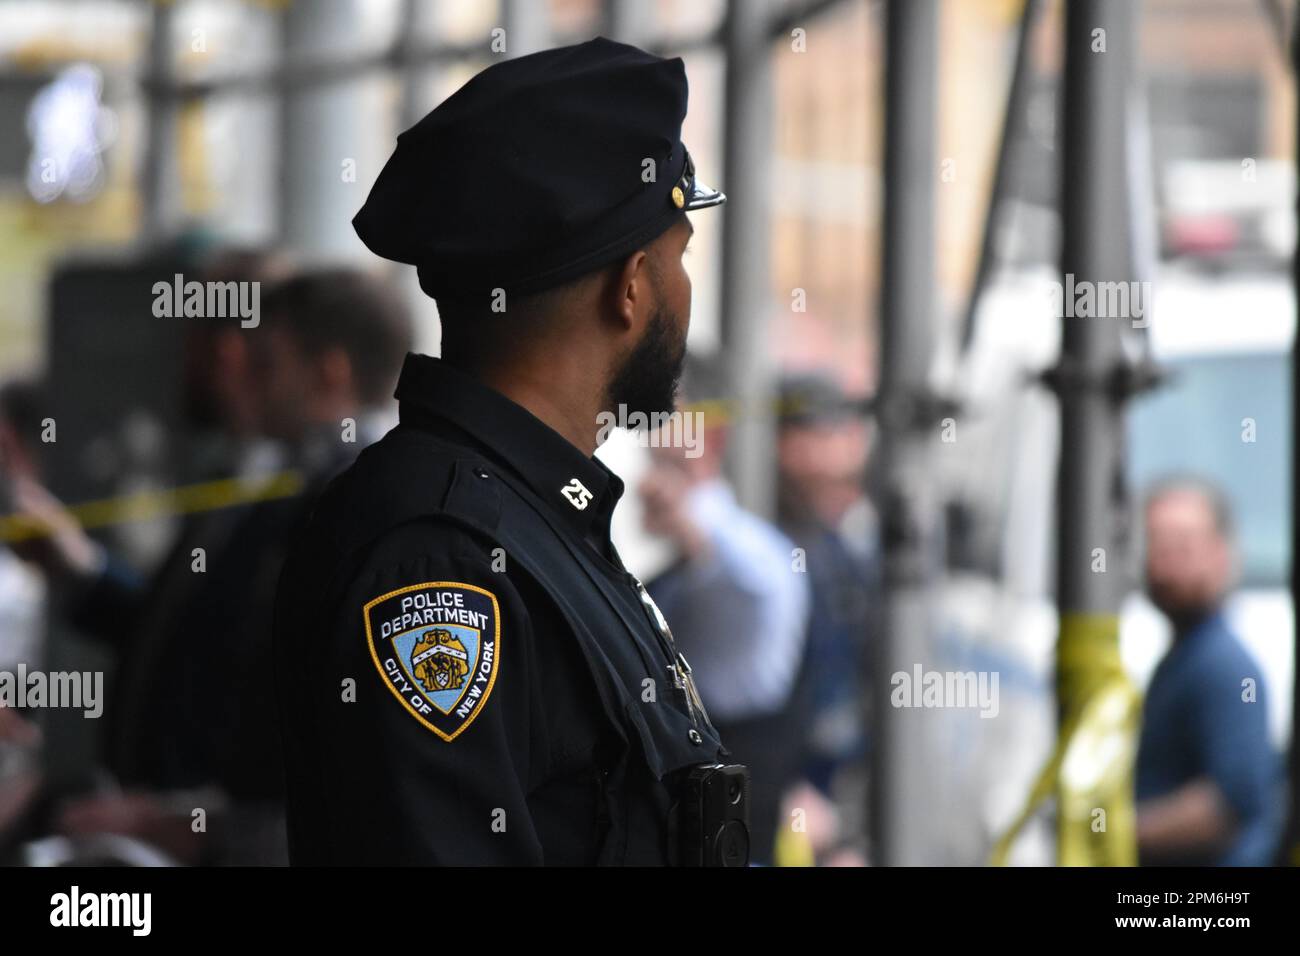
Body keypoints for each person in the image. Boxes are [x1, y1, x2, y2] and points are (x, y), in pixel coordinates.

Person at [273, 37, 738, 865]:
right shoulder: (442, 559)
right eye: (680, 259)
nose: (685, 290)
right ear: (631, 286)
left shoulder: (533, 522)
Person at [641, 357, 808, 865]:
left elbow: (757, 578)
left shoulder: (753, 552)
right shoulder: (659, 534)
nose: (646, 430)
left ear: (709, 432)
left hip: (732, 825)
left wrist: (691, 525)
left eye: (662, 414)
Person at [1135, 477, 1282, 866]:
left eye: (1183, 547)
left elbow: (1228, 806)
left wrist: (1113, 830)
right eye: (1157, 545)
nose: (1165, 564)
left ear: (1221, 555)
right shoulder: (1180, 660)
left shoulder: (1224, 666)